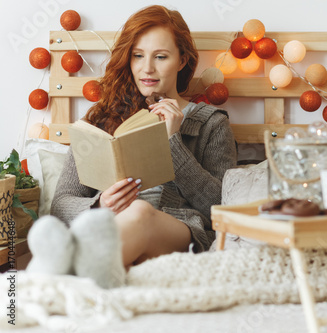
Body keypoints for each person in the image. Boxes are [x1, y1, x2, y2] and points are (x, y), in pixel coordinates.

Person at [26, 5, 237, 288]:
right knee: (117, 220)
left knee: (139, 211)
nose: (146, 68)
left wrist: (172, 142)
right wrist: (100, 205)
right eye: (138, 56)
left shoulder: (212, 123)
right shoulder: (101, 119)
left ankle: (54, 280)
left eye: (160, 57)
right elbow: (61, 204)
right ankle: (89, 272)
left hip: (179, 231)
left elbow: (223, 208)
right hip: (109, 228)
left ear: (182, 60)